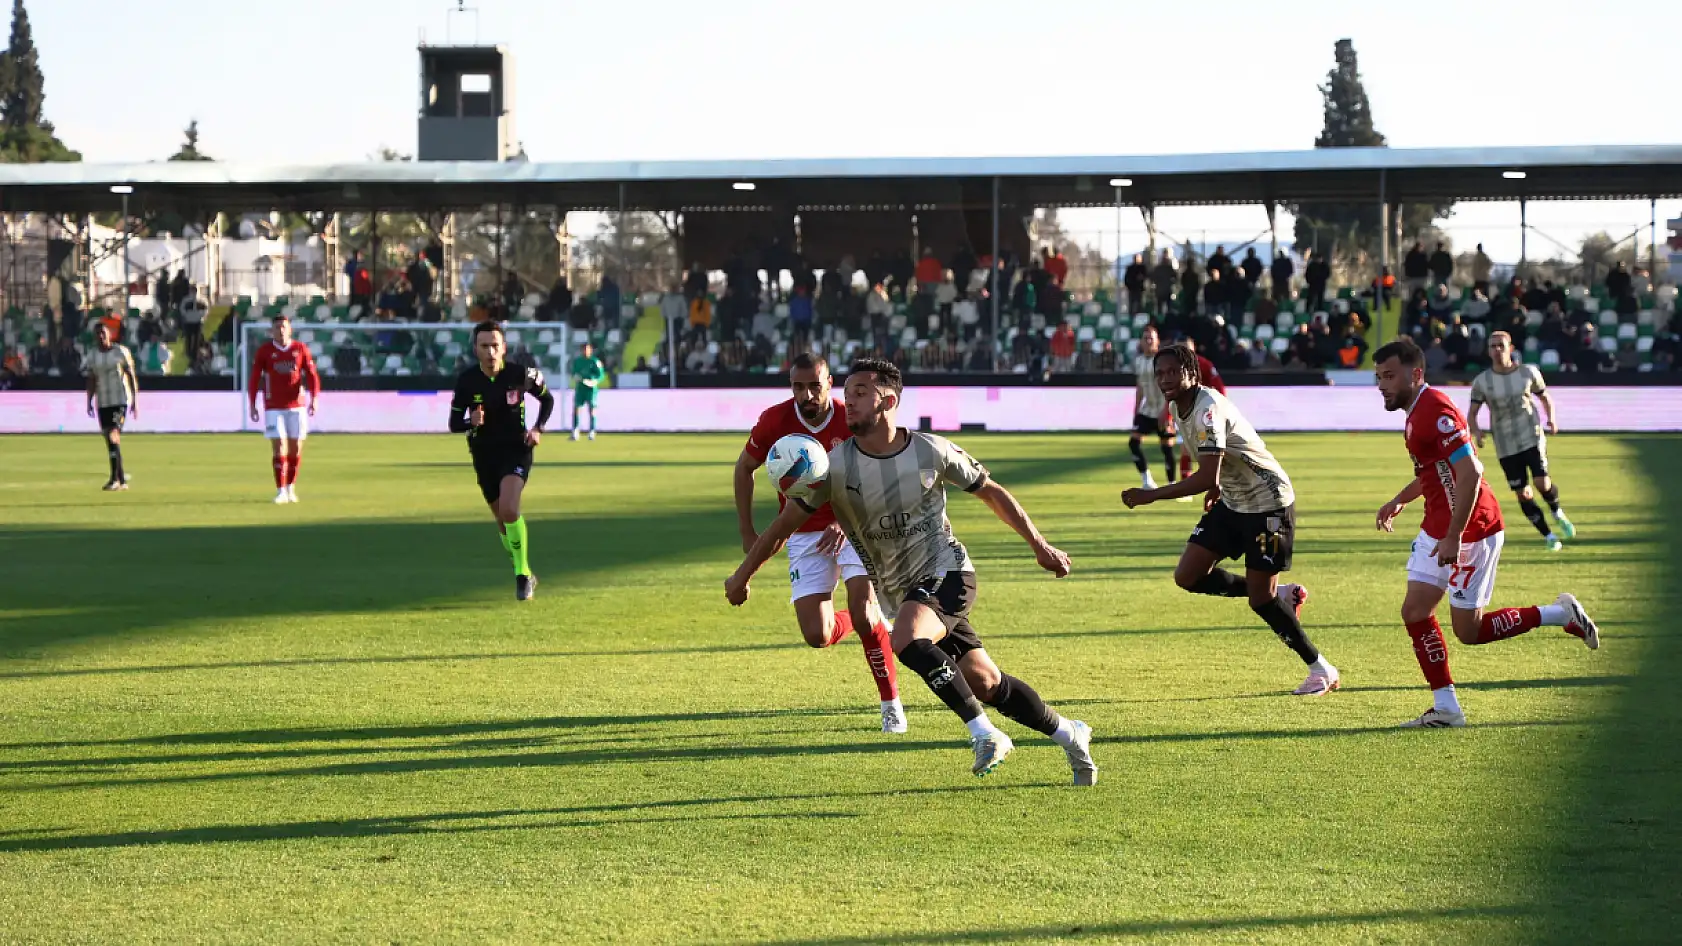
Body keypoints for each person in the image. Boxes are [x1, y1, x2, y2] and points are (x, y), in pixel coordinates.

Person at [726, 357, 1096, 783]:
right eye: (847, 393)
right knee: (987, 682)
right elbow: (782, 527)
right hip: (903, 593)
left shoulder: (930, 450)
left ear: (888, 402)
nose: (850, 402)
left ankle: (984, 734)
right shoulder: (834, 467)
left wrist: (1039, 546)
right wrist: (742, 575)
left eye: (861, 393)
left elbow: (991, 492)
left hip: (949, 572)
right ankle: (1070, 733)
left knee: (905, 637)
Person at [1371, 337, 1599, 728]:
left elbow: (1471, 472)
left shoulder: (1435, 410)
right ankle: (1446, 708)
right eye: (1379, 377)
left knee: (1470, 631)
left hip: (1472, 528)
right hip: (1438, 525)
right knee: (1415, 612)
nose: (1382, 385)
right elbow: (1435, 472)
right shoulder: (1415, 413)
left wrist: (1455, 536)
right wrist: (1399, 499)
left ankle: (1559, 614)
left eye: (1390, 376)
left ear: (1416, 373)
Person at [1122, 344, 1338, 696]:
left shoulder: (1207, 409)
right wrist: (1217, 486)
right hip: (1234, 502)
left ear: (1192, 373)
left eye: (1173, 372)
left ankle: (1321, 669)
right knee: (1188, 575)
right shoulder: (1178, 405)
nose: (1164, 379)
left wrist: (1153, 494)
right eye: (1159, 373)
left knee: (1261, 601)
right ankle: (1283, 594)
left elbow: (1207, 473)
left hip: (1269, 506)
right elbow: (1216, 462)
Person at [732, 354, 905, 733]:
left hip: (858, 526)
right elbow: (744, 468)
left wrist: (846, 521)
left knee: (862, 611)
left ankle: (890, 704)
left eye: (815, 386)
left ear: (829, 384)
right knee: (817, 635)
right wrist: (747, 531)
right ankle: (871, 619)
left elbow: (881, 475)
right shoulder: (775, 421)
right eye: (798, 387)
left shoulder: (852, 417)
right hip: (804, 532)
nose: (806, 395)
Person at [448, 322, 556, 601]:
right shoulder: (467, 381)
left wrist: (537, 428)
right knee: (501, 521)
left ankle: (521, 576)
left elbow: (548, 400)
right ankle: (525, 570)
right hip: (483, 454)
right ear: (476, 350)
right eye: (484, 346)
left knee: (509, 510)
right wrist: (470, 421)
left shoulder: (521, 374)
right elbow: (453, 424)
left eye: (495, 345)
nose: (491, 352)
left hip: (516, 450)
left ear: (504, 348)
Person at [1469, 332, 1573, 550]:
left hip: (1530, 434)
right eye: (1493, 346)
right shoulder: (1482, 381)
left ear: (1511, 348)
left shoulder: (1528, 372)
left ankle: (1557, 511)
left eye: (1501, 345)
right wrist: (1476, 431)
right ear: (1488, 351)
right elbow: (1472, 413)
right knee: (1523, 493)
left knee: (1541, 483)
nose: (1497, 350)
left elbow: (1544, 397)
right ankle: (1549, 536)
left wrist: (1551, 418)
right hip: (1505, 444)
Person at [247, 314, 322, 503]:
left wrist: (314, 399)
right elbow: (255, 378)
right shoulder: (265, 351)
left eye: (284, 327)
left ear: (290, 330)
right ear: (271, 331)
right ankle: (280, 490)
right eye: (277, 327)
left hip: (297, 406)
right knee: (279, 445)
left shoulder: (300, 349)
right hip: (273, 406)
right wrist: (252, 404)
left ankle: (290, 487)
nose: (280, 330)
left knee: (295, 449)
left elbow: (312, 375)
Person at [83, 321, 139, 491]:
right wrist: (89, 400)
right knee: (110, 439)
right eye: (97, 334)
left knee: (113, 433)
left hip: (120, 400)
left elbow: (131, 375)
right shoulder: (92, 355)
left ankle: (114, 479)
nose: (101, 336)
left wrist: (135, 400)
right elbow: (92, 379)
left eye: (103, 333)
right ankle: (121, 479)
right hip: (103, 402)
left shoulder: (120, 351)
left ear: (109, 334)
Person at [1128, 326, 1179, 490]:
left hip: (1163, 409)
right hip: (1147, 410)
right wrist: (1136, 409)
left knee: (1167, 448)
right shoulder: (1139, 361)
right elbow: (1140, 387)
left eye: (1151, 338)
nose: (1148, 341)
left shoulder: (1163, 361)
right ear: (1141, 342)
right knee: (1133, 443)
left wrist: (1168, 412)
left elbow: (1171, 387)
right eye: (1145, 338)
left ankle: (1172, 484)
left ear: (1157, 341)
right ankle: (1147, 480)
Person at [568, 341, 605, 441]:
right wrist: (576, 377)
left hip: (591, 389)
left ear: (590, 350)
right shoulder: (578, 361)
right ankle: (575, 431)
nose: (585, 351)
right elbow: (574, 372)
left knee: (592, 409)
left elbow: (601, 375)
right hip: (580, 388)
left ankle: (592, 431)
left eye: (587, 349)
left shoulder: (595, 361)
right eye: (584, 349)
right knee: (577, 408)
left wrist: (594, 381)